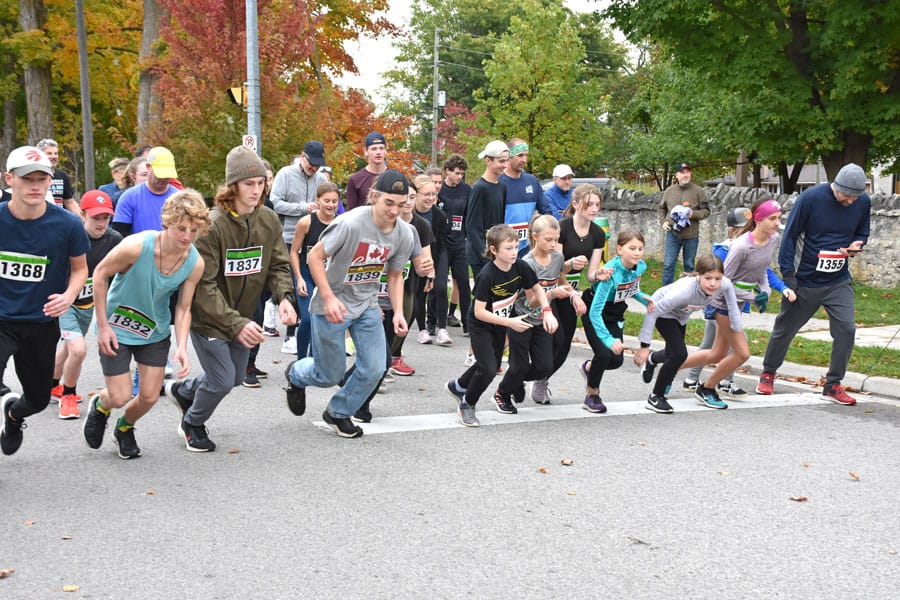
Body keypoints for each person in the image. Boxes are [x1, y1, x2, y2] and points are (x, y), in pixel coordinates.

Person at [164, 147, 296, 452]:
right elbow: (203, 286)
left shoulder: (269, 220)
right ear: (232, 185)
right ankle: (192, 423)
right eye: (248, 183)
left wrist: (285, 297)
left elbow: (278, 264)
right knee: (222, 380)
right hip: (208, 318)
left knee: (235, 377)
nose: (256, 189)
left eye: (260, 182)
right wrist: (235, 323)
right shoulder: (213, 225)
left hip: (243, 315)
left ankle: (185, 391)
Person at [284, 170, 415, 438]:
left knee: (376, 367)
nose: (394, 211)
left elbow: (394, 275)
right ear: (375, 197)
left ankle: (339, 412)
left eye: (400, 205)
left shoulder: (404, 233)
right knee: (328, 375)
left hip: (366, 304)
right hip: (331, 306)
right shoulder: (350, 224)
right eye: (388, 203)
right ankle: (296, 375)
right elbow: (314, 258)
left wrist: (398, 311)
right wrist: (329, 297)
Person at [83, 190, 208, 459]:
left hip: (154, 331)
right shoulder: (137, 246)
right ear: (167, 222)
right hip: (116, 328)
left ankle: (124, 428)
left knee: (150, 396)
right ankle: (101, 405)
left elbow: (184, 308)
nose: (187, 236)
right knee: (119, 396)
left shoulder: (195, 262)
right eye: (181, 228)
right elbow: (101, 273)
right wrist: (102, 325)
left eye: (194, 230)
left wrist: (182, 347)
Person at [0, 146, 89, 456]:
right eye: (28, 179)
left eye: (42, 179)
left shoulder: (67, 224)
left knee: (37, 400)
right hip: (2, 318)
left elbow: (80, 269)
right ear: (8, 179)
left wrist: (67, 297)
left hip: (40, 322)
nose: (36, 186)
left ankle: (13, 415)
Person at [756, 163, 871, 405]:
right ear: (836, 187)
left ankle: (832, 385)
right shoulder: (810, 198)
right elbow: (789, 237)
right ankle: (768, 373)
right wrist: (789, 277)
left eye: (855, 196)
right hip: (804, 279)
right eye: (846, 195)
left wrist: (856, 246)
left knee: (847, 330)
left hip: (838, 279)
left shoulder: (862, 202)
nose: (850, 201)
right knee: (785, 329)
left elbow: (862, 233)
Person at [678, 198, 788, 409]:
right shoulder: (741, 246)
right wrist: (753, 298)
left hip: (736, 303)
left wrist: (764, 292)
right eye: (772, 218)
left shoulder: (773, 239)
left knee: (717, 353)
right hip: (722, 303)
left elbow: (763, 272)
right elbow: (722, 284)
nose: (776, 223)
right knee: (742, 353)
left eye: (778, 218)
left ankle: (666, 366)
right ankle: (707, 388)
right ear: (759, 219)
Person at [445, 224, 554, 427]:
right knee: (489, 368)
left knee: (490, 363)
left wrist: (547, 311)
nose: (514, 252)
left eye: (515, 247)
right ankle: (467, 404)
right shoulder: (487, 275)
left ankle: (458, 386)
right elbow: (479, 312)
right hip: (481, 324)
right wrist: (510, 322)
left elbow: (537, 289)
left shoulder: (520, 266)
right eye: (508, 248)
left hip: (500, 322)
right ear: (494, 250)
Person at [633, 254, 741, 414]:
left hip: (681, 315)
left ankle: (653, 358)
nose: (713, 283)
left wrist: (736, 327)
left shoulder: (724, 285)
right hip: (662, 312)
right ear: (698, 276)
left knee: (673, 354)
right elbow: (653, 312)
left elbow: (733, 306)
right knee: (679, 355)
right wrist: (644, 346)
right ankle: (656, 396)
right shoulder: (684, 292)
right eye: (708, 278)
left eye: (717, 278)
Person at [51, 190, 123, 419]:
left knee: (70, 349)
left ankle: (52, 384)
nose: (101, 223)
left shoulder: (115, 240)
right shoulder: (69, 236)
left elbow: (122, 273)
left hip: (89, 303)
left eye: (106, 217)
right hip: (66, 302)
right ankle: (68, 395)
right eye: (95, 218)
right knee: (78, 350)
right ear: (82, 215)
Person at [532, 183, 605, 404]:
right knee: (555, 339)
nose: (594, 209)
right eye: (589, 204)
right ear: (576, 204)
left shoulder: (598, 233)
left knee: (564, 346)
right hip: (552, 289)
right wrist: (570, 263)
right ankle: (526, 375)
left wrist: (600, 274)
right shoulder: (562, 228)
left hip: (572, 292)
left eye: (597, 205)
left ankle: (542, 380)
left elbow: (591, 275)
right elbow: (555, 267)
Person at [491, 216, 561, 414]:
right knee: (518, 366)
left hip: (542, 320)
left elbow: (560, 279)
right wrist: (553, 294)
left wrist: (570, 292)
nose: (553, 244)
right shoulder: (526, 263)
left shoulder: (558, 257)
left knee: (545, 366)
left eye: (556, 239)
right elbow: (531, 300)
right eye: (548, 239)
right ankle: (502, 393)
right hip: (520, 320)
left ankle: (515, 381)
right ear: (535, 237)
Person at [581, 230, 653, 413]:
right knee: (604, 354)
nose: (637, 253)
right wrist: (608, 339)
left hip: (615, 312)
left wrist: (646, 300)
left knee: (616, 361)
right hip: (593, 310)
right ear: (620, 249)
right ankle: (592, 394)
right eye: (632, 248)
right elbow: (594, 312)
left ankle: (589, 368)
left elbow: (630, 288)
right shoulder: (610, 274)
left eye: (640, 248)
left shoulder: (640, 266)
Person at [270, 140, 327, 353]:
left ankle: (305, 339)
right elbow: (276, 202)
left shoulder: (320, 179)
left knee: (309, 288)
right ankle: (290, 334)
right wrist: (303, 208)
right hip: (287, 236)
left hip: (313, 239)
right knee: (294, 285)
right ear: (303, 157)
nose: (314, 169)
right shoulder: (285, 174)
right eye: (311, 164)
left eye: (318, 165)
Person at [388, 177, 436, 375]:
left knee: (408, 315)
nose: (408, 202)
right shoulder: (388, 222)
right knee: (384, 318)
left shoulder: (421, 226)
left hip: (408, 280)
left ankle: (392, 357)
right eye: (405, 197)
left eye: (412, 197)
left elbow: (425, 259)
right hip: (384, 279)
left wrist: (429, 273)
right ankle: (382, 362)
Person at [289, 181, 340, 359]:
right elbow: (294, 252)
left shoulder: (341, 224)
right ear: (317, 200)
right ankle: (301, 360)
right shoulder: (306, 222)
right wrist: (299, 278)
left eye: (334, 201)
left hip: (329, 278)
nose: (331, 205)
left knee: (324, 320)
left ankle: (315, 359)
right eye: (327, 200)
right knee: (309, 318)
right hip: (307, 274)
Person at [435, 153, 471, 330]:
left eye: (462, 174)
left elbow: (469, 215)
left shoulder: (467, 190)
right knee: (440, 285)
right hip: (442, 243)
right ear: (447, 171)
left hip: (459, 242)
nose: (459, 177)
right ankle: (433, 320)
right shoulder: (439, 190)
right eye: (457, 173)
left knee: (463, 281)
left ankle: (466, 321)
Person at [659, 163, 710, 285]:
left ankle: (687, 294)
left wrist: (693, 214)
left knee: (689, 266)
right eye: (683, 172)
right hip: (673, 234)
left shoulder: (698, 191)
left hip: (691, 236)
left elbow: (706, 211)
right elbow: (661, 208)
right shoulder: (669, 191)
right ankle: (665, 294)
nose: (686, 175)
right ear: (677, 175)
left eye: (688, 172)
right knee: (668, 265)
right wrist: (663, 221)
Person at [499, 138, 551, 255]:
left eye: (526, 155)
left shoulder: (531, 181)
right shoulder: (499, 183)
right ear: (509, 156)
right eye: (520, 155)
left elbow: (546, 211)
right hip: (504, 247)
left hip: (527, 247)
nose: (524, 160)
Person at [412, 174, 448, 345]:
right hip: (414, 256)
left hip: (436, 254)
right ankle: (422, 330)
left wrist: (433, 268)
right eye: (426, 194)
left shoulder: (439, 216)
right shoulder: (409, 213)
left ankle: (442, 329)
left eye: (433, 194)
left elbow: (440, 243)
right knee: (419, 291)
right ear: (417, 194)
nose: (431, 198)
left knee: (440, 288)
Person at [465, 140, 509, 278]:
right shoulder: (479, 188)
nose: (505, 165)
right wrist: (484, 253)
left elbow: (500, 222)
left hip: (495, 249)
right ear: (488, 160)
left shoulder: (502, 187)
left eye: (506, 161)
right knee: (483, 294)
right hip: (481, 252)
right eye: (501, 161)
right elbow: (472, 225)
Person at [112, 146, 179, 236]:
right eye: (159, 175)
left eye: (167, 175)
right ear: (148, 167)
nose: (163, 179)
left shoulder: (178, 198)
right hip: (137, 249)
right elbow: (119, 235)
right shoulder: (129, 197)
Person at [345, 132, 388, 210]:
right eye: (374, 149)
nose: (378, 152)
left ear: (385, 151)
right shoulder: (355, 180)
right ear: (366, 151)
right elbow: (351, 214)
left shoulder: (394, 177)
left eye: (381, 148)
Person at [35, 138, 79, 213]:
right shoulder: (33, 175)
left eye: (56, 153)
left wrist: (84, 220)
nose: (54, 156)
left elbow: (69, 202)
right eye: (49, 153)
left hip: (59, 219)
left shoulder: (62, 175)